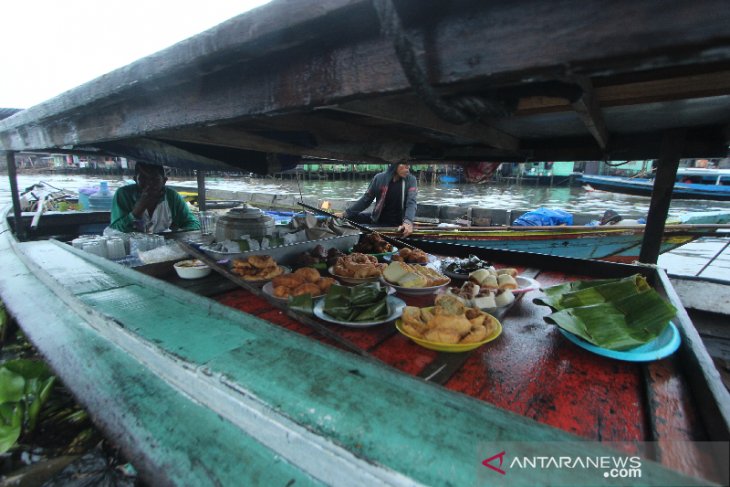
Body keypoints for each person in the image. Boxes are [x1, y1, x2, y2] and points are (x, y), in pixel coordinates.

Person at [109, 162, 200, 233]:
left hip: (164, 246)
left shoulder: (172, 196)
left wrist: (179, 233)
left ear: (164, 181)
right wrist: (138, 210)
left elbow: (193, 223)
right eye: (143, 179)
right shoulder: (124, 194)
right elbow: (115, 230)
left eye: (155, 179)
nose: (149, 184)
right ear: (135, 179)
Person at [345, 163, 417, 237]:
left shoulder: (411, 180)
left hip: (394, 223)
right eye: (403, 164)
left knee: (356, 228)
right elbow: (366, 200)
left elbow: (411, 202)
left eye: (408, 164)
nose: (408, 166)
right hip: (376, 217)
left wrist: (408, 222)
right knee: (346, 219)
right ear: (394, 164)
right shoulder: (379, 178)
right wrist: (346, 214)